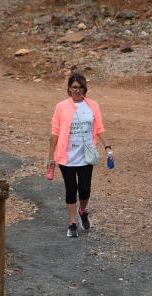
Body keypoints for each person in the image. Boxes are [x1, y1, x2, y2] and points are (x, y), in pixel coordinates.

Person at [48, 73, 114, 237]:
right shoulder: (61, 107)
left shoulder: (92, 105)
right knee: (71, 189)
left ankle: (82, 210)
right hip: (66, 156)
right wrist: (51, 157)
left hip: (86, 156)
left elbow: (99, 128)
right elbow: (55, 132)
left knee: (85, 190)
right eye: (74, 87)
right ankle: (72, 223)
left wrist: (108, 147)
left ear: (85, 88)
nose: (77, 90)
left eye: (80, 87)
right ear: (69, 89)